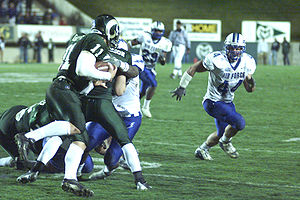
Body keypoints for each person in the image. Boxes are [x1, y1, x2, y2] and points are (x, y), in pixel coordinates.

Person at [36, 15, 120, 196]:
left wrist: (92, 83)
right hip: (65, 89)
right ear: (110, 30)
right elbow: (82, 69)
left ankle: (61, 175)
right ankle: (68, 178)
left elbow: (80, 73)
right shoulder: (96, 40)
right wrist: (106, 76)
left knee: (74, 134)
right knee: (79, 134)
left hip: (62, 87)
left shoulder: (83, 39)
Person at [171, 33, 256, 160]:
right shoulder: (217, 59)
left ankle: (202, 149)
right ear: (226, 47)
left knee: (221, 133)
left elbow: (249, 89)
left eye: (238, 48)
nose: (234, 51)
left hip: (227, 102)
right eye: (231, 48)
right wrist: (182, 86)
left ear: (242, 49)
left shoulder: (247, 62)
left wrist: (251, 83)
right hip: (213, 102)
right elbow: (194, 67)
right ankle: (226, 142)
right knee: (239, 123)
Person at [86, 40, 145, 180]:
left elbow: (131, 74)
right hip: (107, 111)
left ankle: (108, 171)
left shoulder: (134, 60)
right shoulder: (102, 60)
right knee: (87, 142)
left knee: (112, 157)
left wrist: (120, 65)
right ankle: (73, 172)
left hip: (128, 115)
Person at [130, 21, 172, 118]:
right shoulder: (145, 36)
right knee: (153, 84)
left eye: (160, 31)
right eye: (156, 30)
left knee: (143, 91)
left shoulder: (165, 43)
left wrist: (163, 59)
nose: (158, 33)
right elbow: (130, 43)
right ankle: (145, 107)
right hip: (140, 65)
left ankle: (134, 105)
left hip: (151, 68)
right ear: (152, 30)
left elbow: (163, 62)